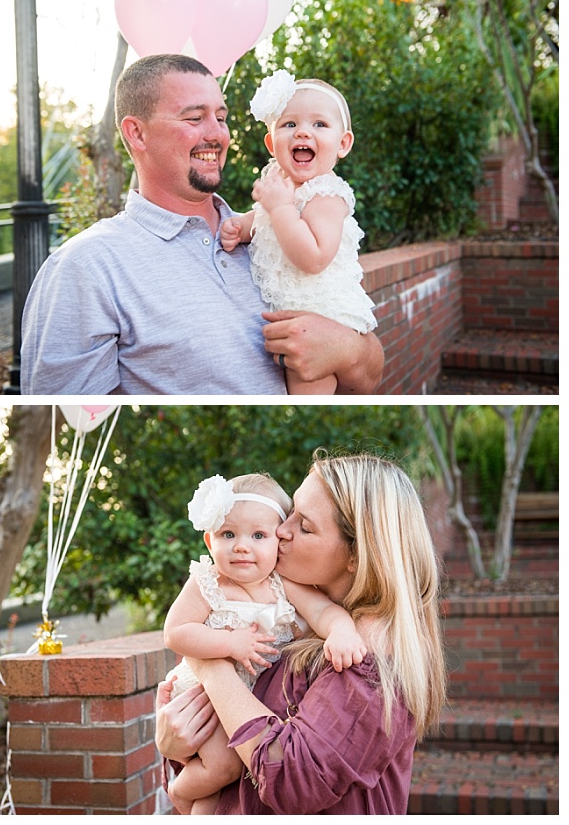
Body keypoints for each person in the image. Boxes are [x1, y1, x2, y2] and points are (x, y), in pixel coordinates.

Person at [19, 54, 383, 395]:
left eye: (221, 118)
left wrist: (346, 348)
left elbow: (372, 373)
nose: (217, 134)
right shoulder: (86, 266)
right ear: (136, 133)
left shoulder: (273, 232)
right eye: (195, 118)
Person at [156, 453, 447, 814]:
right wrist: (174, 746)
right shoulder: (294, 613)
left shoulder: (367, 655)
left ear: (357, 554)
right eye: (290, 512)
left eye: (304, 526)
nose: (281, 530)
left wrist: (211, 666)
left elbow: (291, 782)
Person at [163, 473, 365, 814]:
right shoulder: (208, 583)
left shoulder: (284, 585)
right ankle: (181, 792)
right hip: (207, 697)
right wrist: (228, 642)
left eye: (258, 535)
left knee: (229, 783)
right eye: (228, 534)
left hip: (249, 698)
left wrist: (342, 632)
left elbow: (325, 613)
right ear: (210, 543)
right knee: (224, 769)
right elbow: (176, 633)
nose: (242, 546)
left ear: (277, 542)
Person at [219, 72, 377, 395]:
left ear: (343, 143)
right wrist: (243, 227)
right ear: (271, 142)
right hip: (293, 317)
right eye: (289, 124)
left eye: (319, 124)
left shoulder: (326, 196)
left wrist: (280, 209)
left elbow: (314, 256)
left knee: (307, 385)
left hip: (321, 317)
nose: (303, 131)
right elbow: (265, 221)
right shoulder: (281, 185)